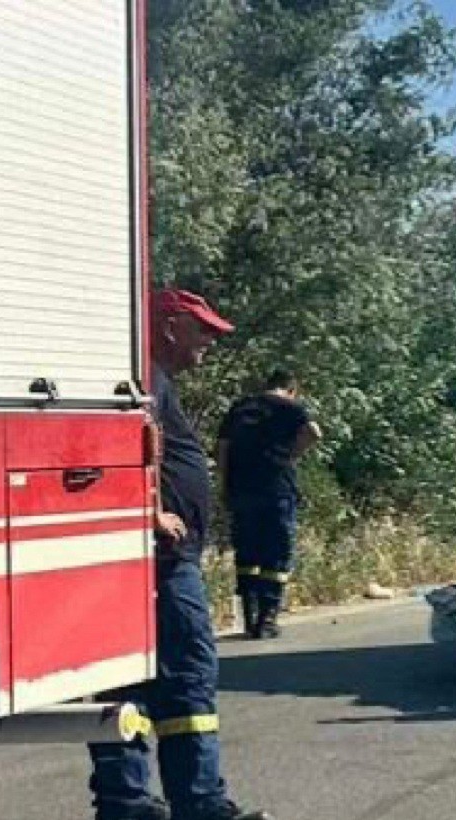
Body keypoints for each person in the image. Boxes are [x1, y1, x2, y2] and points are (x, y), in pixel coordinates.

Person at [87, 289, 271, 820]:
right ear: (168, 325)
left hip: (152, 561)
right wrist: (151, 513)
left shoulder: (147, 376)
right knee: (188, 673)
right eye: (203, 330)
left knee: (131, 685)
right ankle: (199, 805)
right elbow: (128, 441)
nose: (210, 342)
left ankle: (127, 804)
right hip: (165, 562)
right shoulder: (146, 375)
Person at [217, 369, 322, 639]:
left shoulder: (240, 408)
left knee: (247, 553)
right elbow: (314, 432)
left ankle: (249, 619)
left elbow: (223, 449)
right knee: (277, 552)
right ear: (292, 389)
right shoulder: (291, 408)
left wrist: (224, 484)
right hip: (277, 487)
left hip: (242, 489)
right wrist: (291, 455)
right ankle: (268, 619)